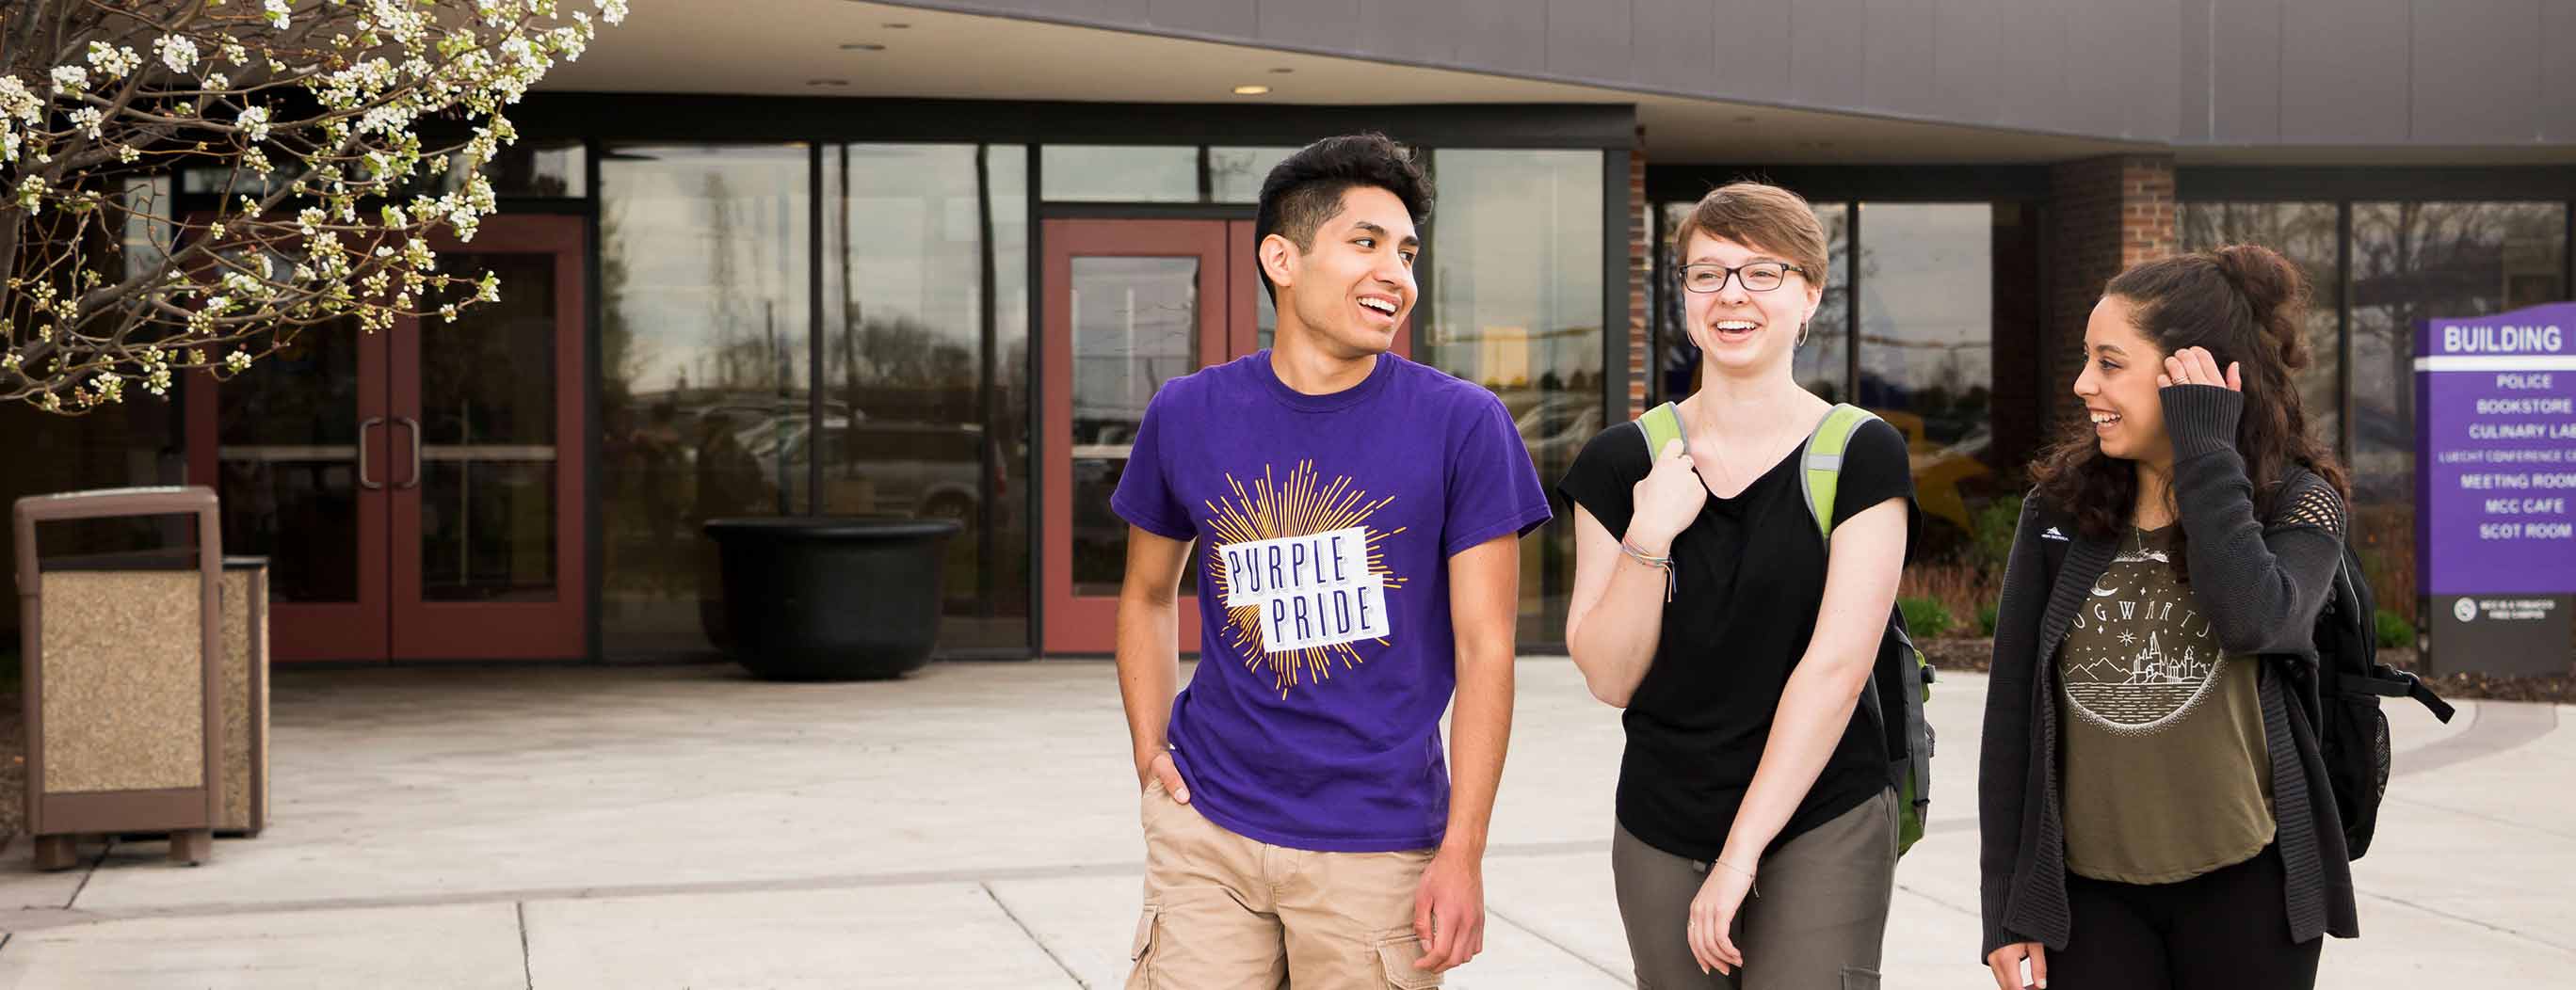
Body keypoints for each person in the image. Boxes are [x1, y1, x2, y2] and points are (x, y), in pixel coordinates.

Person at [1110, 133, 1552, 988]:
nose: (1398, 274)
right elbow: (1147, 594)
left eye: (1409, 253)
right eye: (1366, 243)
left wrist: (1463, 853)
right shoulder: (1189, 413)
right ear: (1282, 257)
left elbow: (1486, 649)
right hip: (1208, 828)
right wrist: (1148, 747)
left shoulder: (1464, 424)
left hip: (1377, 846)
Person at [1556, 182, 1914, 988]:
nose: (1732, 297)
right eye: (1708, 274)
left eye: (1763, 274)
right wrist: (1650, 534)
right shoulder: (1622, 463)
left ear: (1810, 295)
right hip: (1661, 816)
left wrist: (1740, 856)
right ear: (1683, 296)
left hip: (1822, 812)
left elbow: (1834, 672)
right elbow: (1610, 675)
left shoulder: (1860, 455)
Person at [1980, 245, 2353, 990]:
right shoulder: (2058, 511)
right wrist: (2004, 908)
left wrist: (2206, 449)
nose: (2085, 384)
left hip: (2252, 889)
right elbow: (2012, 715)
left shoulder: (2299, 503)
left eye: (2110, 363)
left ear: (2195, 376)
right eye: (2088, 360)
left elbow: (2257, 618)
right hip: (2087, 899)